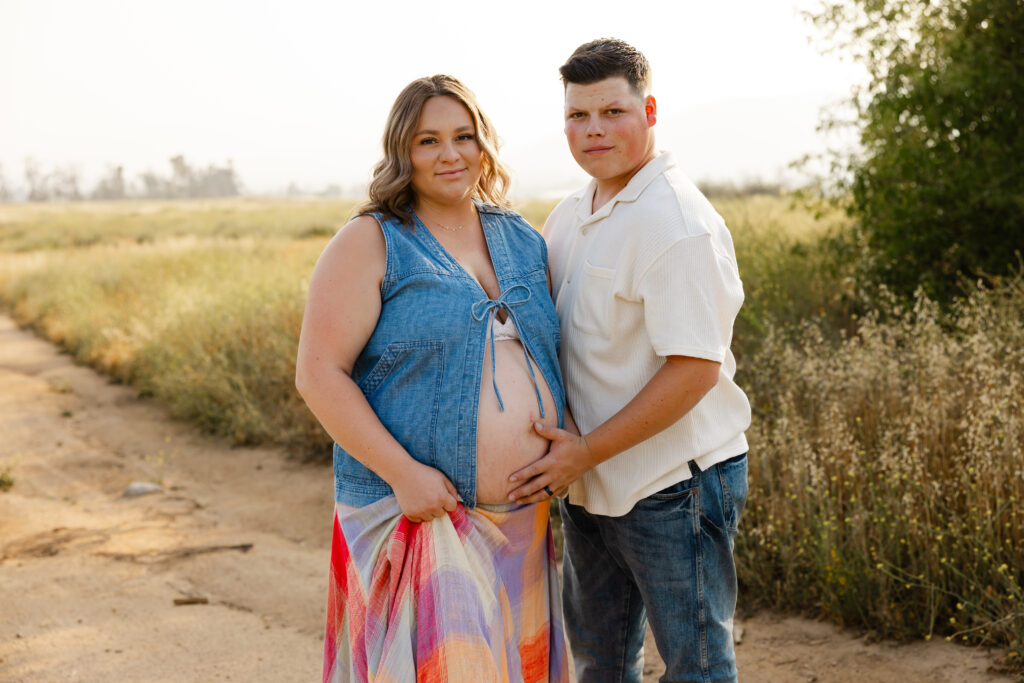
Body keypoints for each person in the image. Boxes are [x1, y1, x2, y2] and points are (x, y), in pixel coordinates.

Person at [295, 74, 571, 682]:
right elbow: (319, 374)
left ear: (483, 144)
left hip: (521, 519)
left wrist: (567, 438)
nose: (450, 154)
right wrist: (405, 475)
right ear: (403, 152)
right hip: (421, 514)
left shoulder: (521, 238)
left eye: (463, 136)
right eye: (428, 141)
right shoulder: (371, 241)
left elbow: (552, 356)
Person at [507, 38, 752, 682]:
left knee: (696, 668)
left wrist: (584, 451)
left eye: (612, 112)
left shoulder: (675, 223)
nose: (593, 130)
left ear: (649, 110)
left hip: (672, 482)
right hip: (589, 480)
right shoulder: (569, 214)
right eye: (578, 115)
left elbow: (694, 370)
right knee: (601, 662)